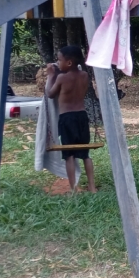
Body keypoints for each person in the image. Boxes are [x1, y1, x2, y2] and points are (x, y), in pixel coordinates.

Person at [45, 45, 96, 193]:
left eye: (59, 60)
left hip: (67, 118)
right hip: (82, 117)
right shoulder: (84, 75)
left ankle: (73, 189)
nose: (57, 62)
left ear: (68, 62)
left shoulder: (62, 78)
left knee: (69, 155)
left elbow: (50, 94)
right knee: (85, 154)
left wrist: (50, 75)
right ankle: (92, 187)